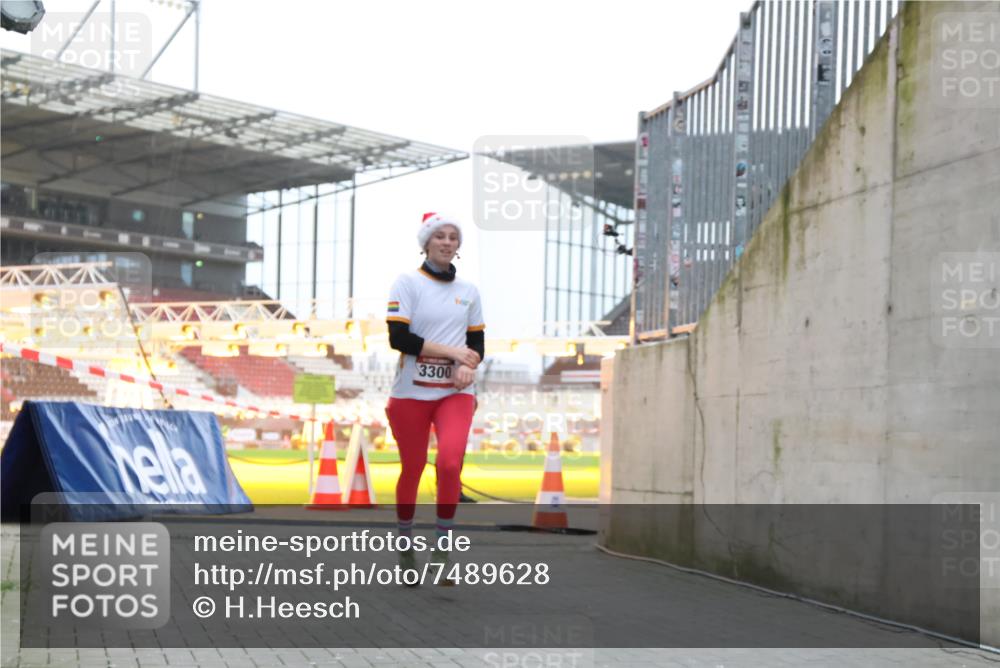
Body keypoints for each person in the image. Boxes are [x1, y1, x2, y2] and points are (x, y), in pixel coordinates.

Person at [385, 212, 485, 584]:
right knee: (412, 468)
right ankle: (406, 543)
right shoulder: (407, 283)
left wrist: (468, 363)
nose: (446, 242)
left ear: (458, 247)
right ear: (426, 243)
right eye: (439, 236)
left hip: (454, 393)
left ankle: (442, 549)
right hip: (410, 393)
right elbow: (400, 339)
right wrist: (453, 354)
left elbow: (477, 345)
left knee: (448, 464)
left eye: (453, 238)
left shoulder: (469, 292)